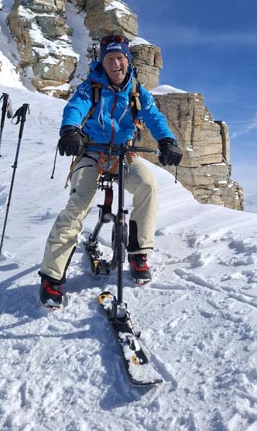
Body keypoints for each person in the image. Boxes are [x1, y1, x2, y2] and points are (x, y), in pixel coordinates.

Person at [39, 34, 183, 308]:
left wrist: (167, 140)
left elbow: (154, 116)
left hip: (124, 153)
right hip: (91, 152)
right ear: (102, 63)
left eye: (120, 58)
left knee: (148, 186)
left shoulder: (138, 91)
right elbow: (75, 107)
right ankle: (51, 276)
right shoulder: (90, 87)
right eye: (110, 59)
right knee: (79, 202)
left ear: (127, 61)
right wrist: (70, 130)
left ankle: (138, 254)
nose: (116, 64)